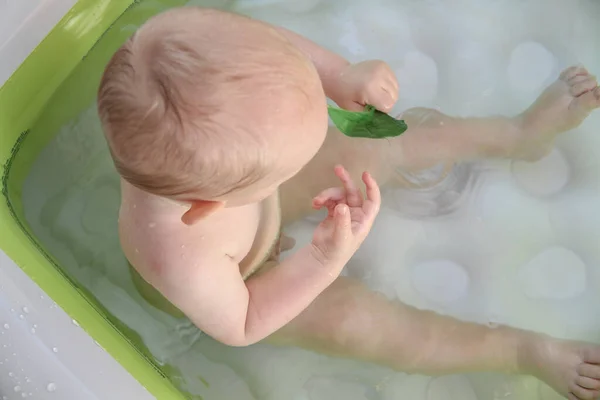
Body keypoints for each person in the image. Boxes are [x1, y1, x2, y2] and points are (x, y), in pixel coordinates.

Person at [97, 7, 600, 399]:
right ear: (211, 206)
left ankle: (515, 136)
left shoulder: (171, 42)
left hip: (251, 201)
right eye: (289, 163)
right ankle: (519, 352)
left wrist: (338, 76)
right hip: (246, 283)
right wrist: (321, 259)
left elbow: (266, 42)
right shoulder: (181, 260)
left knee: (369, 145)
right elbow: (243, 323)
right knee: (355, 324)